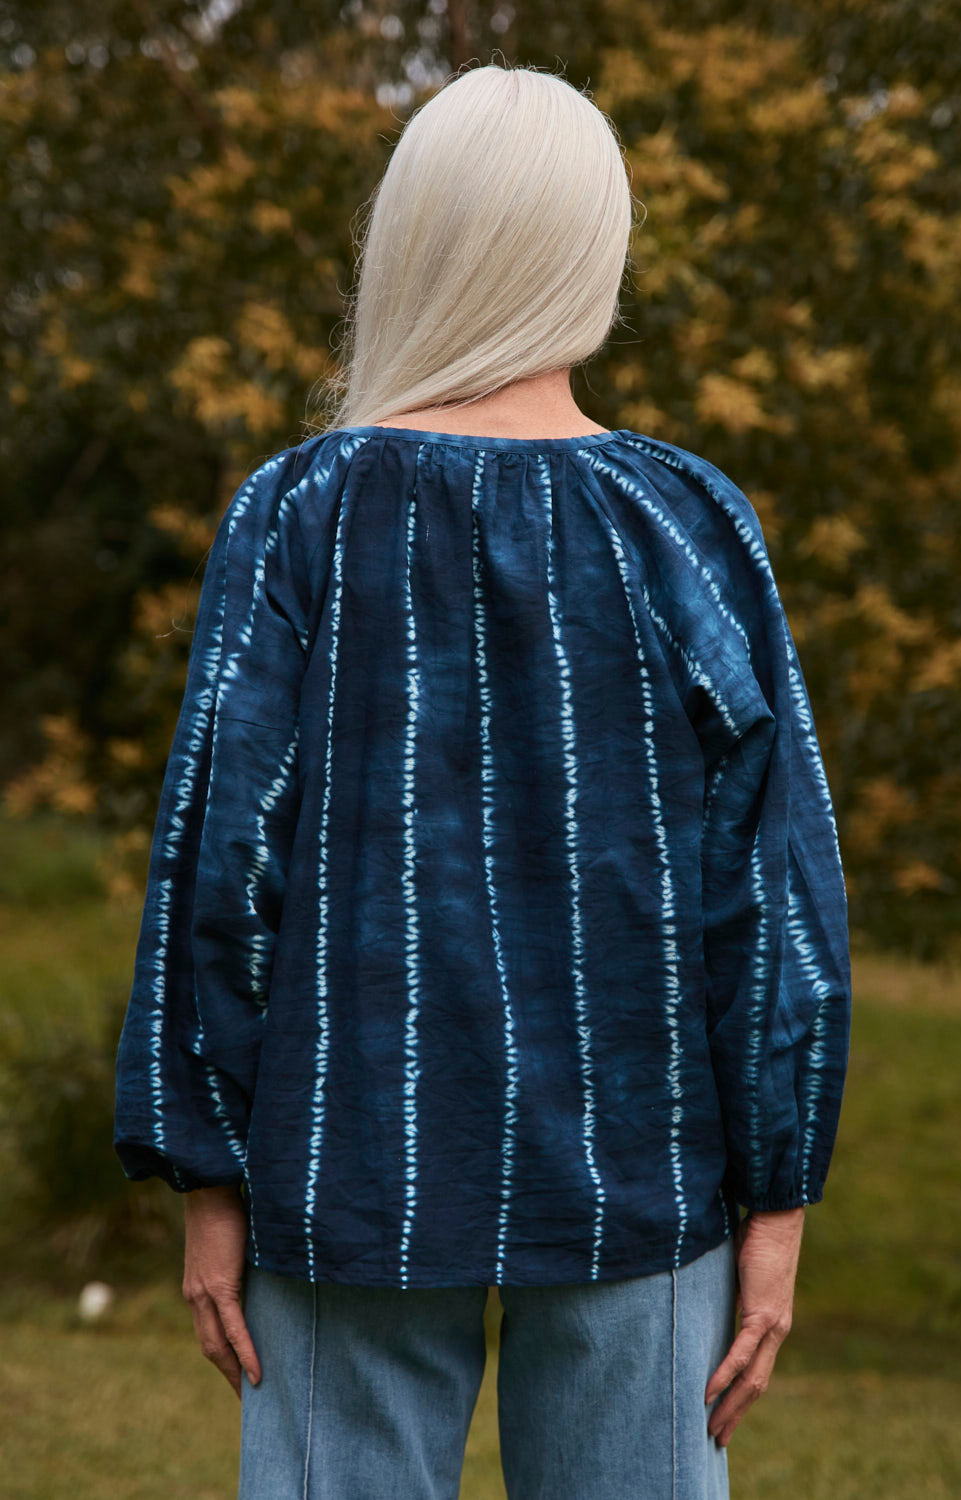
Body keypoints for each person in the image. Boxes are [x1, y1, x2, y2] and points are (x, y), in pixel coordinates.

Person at [113, 61, 851, 1500]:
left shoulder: (297, 511)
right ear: (597, 250)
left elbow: (219, 871)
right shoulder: (685, 523)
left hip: (349, 1168)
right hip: (646, 1176)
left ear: (409, 242)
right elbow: (769, 891)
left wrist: (207, 1168)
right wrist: (781, 1196)